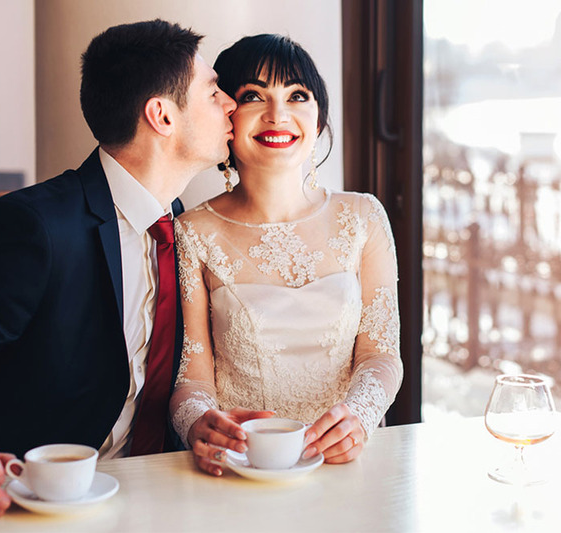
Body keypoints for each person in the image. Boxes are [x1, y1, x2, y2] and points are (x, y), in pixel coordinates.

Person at [0, 19, 236, 515]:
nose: (229, 103)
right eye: (213, 91)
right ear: (161, 115)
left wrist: (195, 423)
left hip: (158, 499)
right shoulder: (35, 229)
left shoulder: (180, 227)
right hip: (26, 508)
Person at [169, 34, 403, 476]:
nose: (278, 115)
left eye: (297, 95)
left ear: (317, 122)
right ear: (227, 117)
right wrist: (197, 422)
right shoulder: (192, 233)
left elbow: (381, 354)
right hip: (243, 465)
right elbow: (191, 377)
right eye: (254, 96)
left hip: (346, 461)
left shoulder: (364, 217)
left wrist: (360, 416)